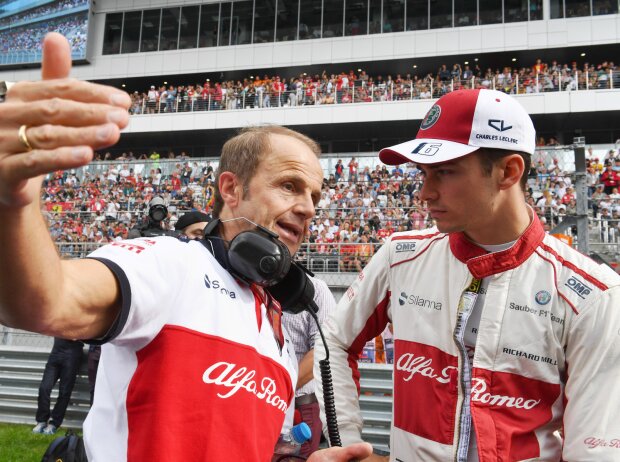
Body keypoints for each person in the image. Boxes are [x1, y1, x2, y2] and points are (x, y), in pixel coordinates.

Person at [0, 33, 371, 462]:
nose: (307, 208)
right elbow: (44, 301)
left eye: (315, 197)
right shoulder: (169, 262)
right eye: (290, 186)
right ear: (231, 188)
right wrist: (14, 202)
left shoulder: (278, 324)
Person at [315, 89, 620, 461]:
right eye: (423, 174)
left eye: (444, 172)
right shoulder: (400, 256)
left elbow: (596, 452)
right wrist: (347, 443)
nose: (424, 193)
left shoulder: (592, 294)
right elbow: (333, 340)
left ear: (508, 172)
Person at [281, 276, 335, 458]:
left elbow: (320, 352)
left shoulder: (317, 290)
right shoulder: (252, 284)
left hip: (299, 406)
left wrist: (277, 392)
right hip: (256, 400)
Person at [32, 338, 84, 435]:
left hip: (72, 354)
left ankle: (54, 424)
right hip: (56, 352)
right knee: (44, 388)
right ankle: (42, 421)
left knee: (64, 392)